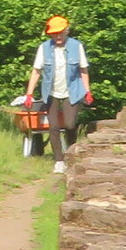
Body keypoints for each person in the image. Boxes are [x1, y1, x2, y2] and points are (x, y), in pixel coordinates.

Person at [23, 14, 91, 172]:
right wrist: (29, 94)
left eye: (60, 33)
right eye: (54, 33)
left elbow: (83, 70)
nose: (57, 36)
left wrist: (87, 91)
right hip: (51, 92)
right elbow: (36, 71)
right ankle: (59, 160)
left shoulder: (76, 46)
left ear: (66, 31)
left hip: (72, 91)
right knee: (53, 127)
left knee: (69, 125)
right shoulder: (44, 48)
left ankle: (71, 154)